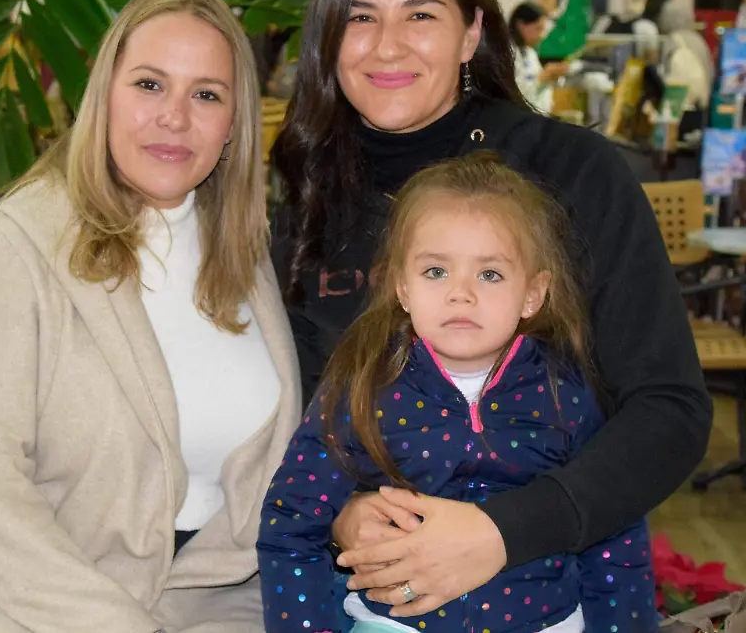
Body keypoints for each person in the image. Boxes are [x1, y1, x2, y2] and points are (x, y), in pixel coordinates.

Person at [270, 0, 711, 620]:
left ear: (472, 32)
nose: (387, 47)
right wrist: (344, 511)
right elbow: (298, 409)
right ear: (328, 38)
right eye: (358, 18)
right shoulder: (311, 194)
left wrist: (505, 532)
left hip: (550, 588)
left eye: (420, 15)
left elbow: (670, 412)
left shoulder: (573, 174)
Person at [0, 0, 302, 633]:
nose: (175, 116)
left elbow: (250, 525)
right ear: (103, 95)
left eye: (207, 94)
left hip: (204, 608)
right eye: (149, 84)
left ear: (234, 126)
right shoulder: (14, 246)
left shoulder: (247, 262)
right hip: (12, 608)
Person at [259, 153, 660, 633]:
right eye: (435, 272)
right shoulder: (359, 385)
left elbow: (614, 536)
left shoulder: (566, 394)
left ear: (533, 294)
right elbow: (290, 521)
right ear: (401, 287)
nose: (461, 293)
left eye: (490, 274)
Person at [508, 2, 568, 114]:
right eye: (538, 29)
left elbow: (537, 90)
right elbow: (514, 95)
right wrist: (542, 77)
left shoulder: (530, 53)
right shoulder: (505, 54)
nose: (542, 35)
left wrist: (550, 76)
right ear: (520, 25)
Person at [656, 2, 715, 111]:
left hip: (680, 102)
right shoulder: (699, 40)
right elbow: (710, 71)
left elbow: (665, 72)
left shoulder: (672, 40)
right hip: (701, 102)